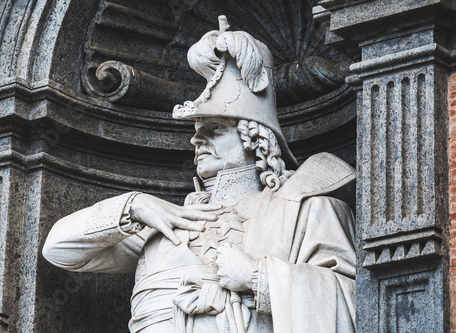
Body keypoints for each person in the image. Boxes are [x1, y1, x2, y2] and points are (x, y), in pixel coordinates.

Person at [43, 16, 356, 333]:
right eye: (196, 131)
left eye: (215, 129)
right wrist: (135, 205)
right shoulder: (165, 223)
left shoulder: (306, 209)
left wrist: (257, 278)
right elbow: (58, 249)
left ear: (254, 138)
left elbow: (352, 302)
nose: (197, 139)